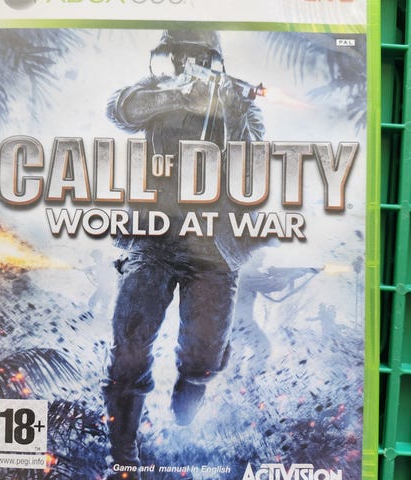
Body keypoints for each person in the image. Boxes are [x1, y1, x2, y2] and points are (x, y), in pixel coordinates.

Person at [102, 29, 265, 479]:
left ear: (214, 59)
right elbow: (121, 109)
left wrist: (229, 109)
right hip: (152, 236)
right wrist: (179, 97)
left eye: (199, 55)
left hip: (212, 244)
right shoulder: (153, 90)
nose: (190, 61)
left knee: (204, 357)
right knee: (130, 342)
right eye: (182, 54)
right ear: (170, 57)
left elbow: (256, 160)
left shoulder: (238, 101)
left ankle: (188, 398)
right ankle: (123, 454)